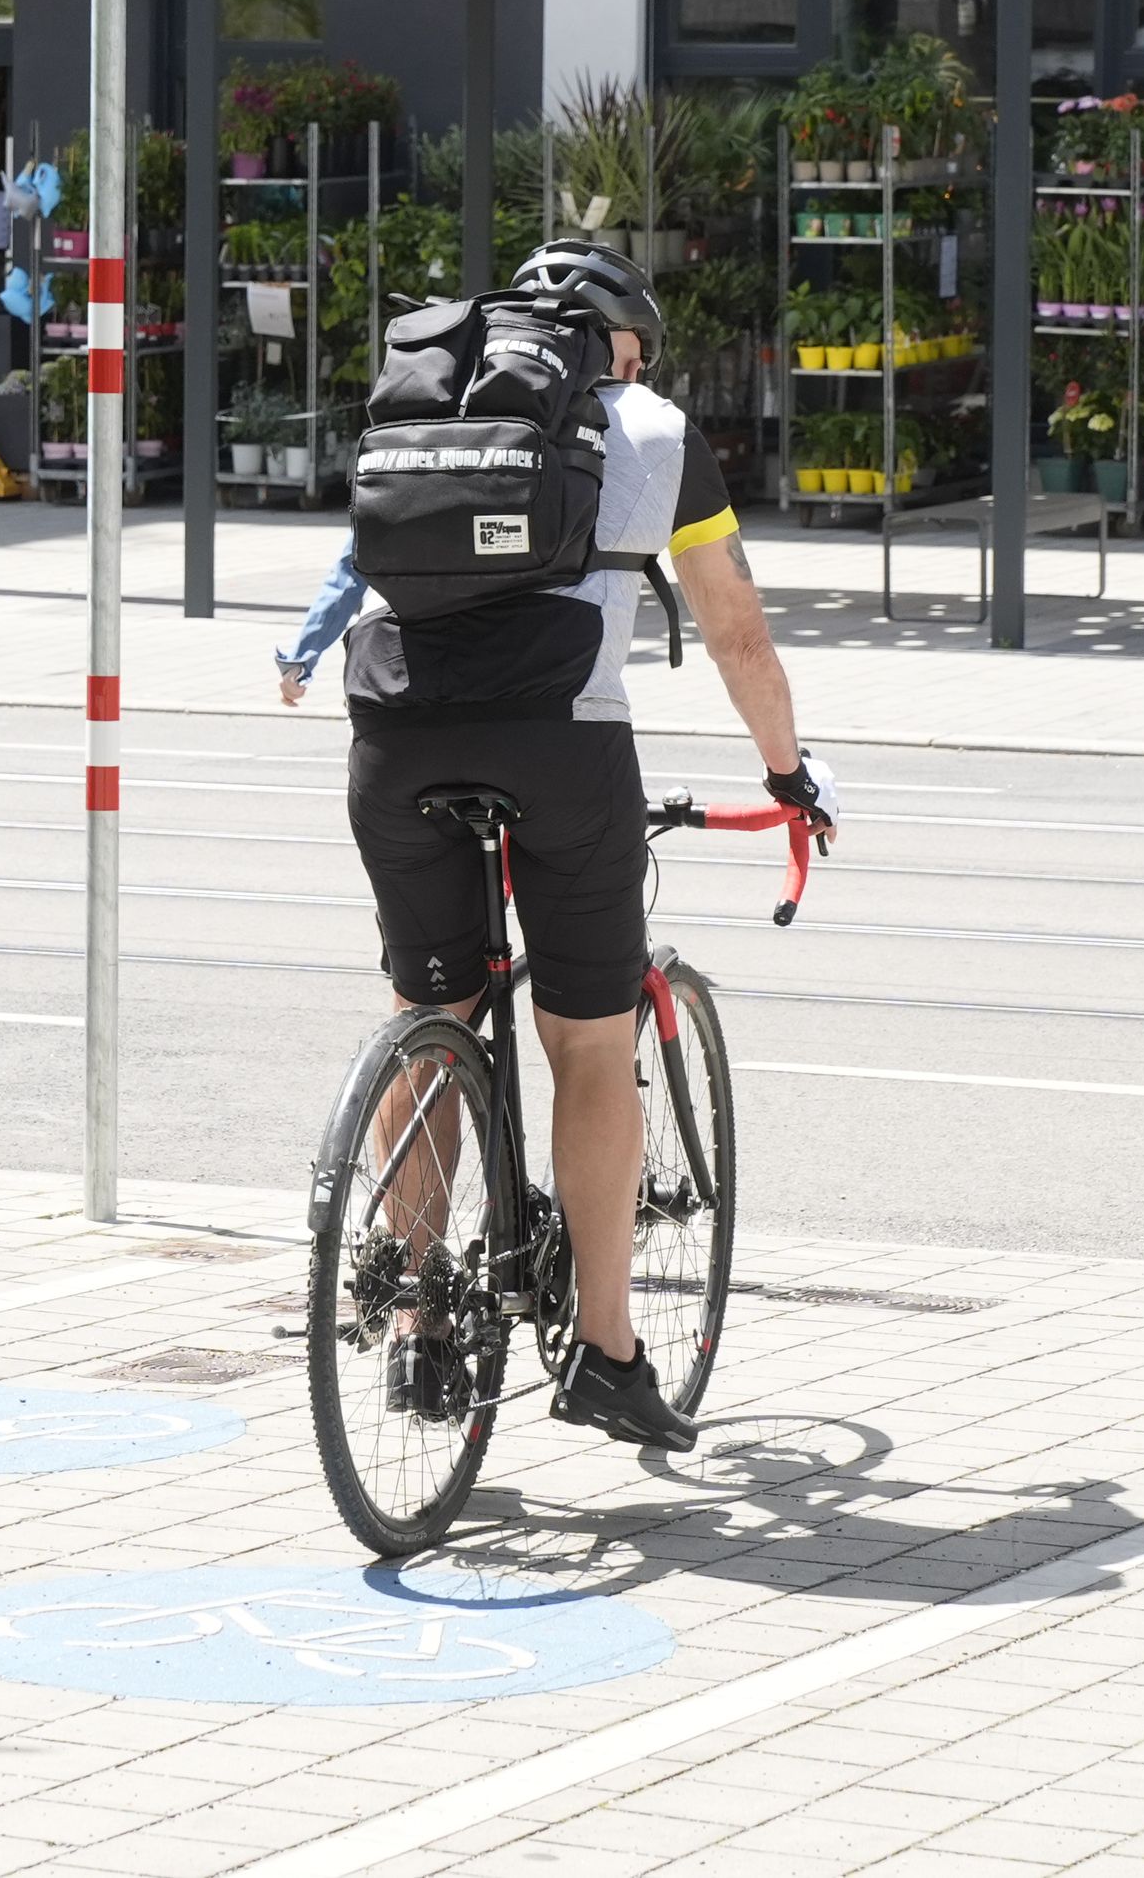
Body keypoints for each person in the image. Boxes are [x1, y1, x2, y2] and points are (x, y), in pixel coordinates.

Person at [279, 239, 834, 1451]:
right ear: (617, 339)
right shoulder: (650, 427)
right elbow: (735, 631)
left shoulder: (425, 406)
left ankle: (421, 1330)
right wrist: (789, 774)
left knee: (428, 1016)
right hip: (559, 744)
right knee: (586, 1040)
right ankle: (607, 1352)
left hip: (392, 739)